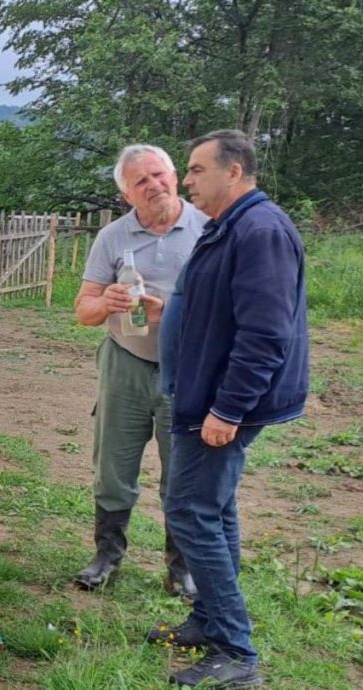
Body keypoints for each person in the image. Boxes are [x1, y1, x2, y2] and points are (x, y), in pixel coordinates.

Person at [152, 130, 308, 689]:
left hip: (221, 402)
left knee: (190, 511)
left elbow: (266, 334)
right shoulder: (230, 225)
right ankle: (209, 620)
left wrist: (229, 409)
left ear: (234, 172)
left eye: (196, 170)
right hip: (205, 393)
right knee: (213, 510)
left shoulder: (261, 230)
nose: (187, 181)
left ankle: (236, 651)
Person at [73, 144, 206, 596]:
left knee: (183, 471)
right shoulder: (113, 237)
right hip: (125, 362)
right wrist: (104, 302)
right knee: (113, 466)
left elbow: (230, 310)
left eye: (158, 174)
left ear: (175, 176)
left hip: (188, 369)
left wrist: (171, 314)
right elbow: (84, 310)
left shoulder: (209, 229)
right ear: (126, 195)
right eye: (140, 181)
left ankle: (181, 567)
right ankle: (106, 555)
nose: (153, 185)